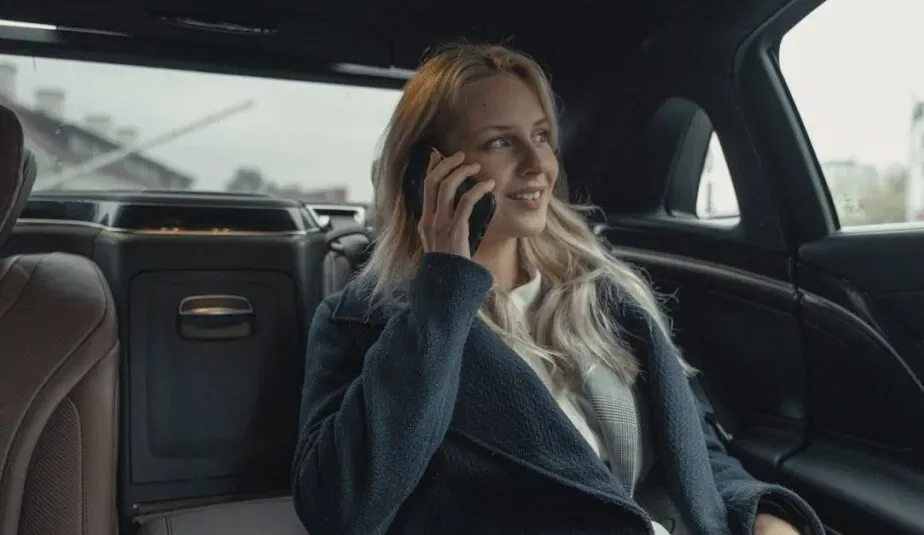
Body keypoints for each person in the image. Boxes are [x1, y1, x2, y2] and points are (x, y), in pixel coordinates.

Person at [291, 43, 825, 535]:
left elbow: (696, 452)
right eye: (501, 141)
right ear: (428, 173)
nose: (537, 165)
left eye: (542, 135)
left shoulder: (607, 294)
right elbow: (341, 508)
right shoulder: (362, 322)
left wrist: (760, 513)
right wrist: (443, 295)